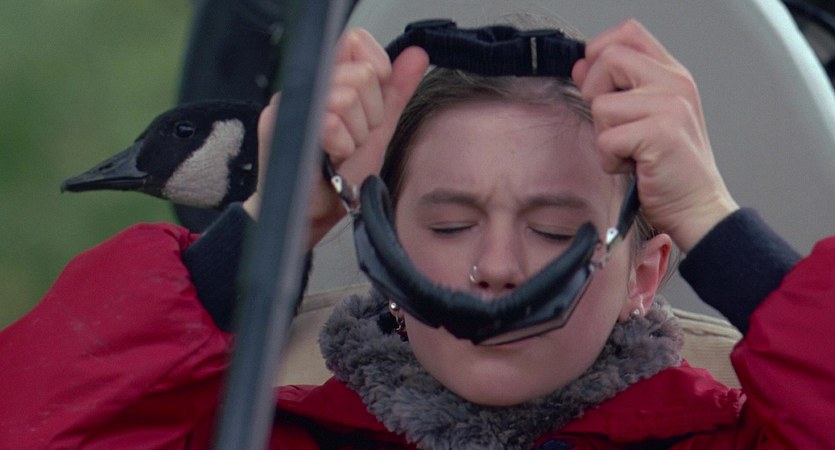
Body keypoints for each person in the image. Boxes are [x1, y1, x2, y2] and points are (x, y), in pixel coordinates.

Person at [1, 18, 832, 449]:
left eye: (552, 230)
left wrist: (716, 227)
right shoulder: (249, 431)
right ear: (381, 255)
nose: (496, 267)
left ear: (644, 277)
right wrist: (265, 228)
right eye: (448, 223)